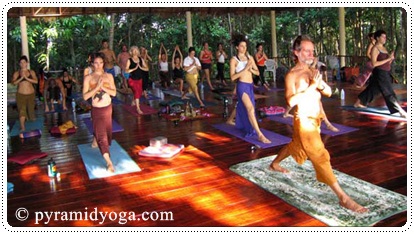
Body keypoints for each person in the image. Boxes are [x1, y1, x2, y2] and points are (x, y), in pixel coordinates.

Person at [269, 35, 368, 213]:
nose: (311, 54)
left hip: (316, 119)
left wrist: (319, 84)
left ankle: (275, 163)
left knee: (295, 145)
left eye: (312, 51)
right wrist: (311, 86)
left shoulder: (312, 72)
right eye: (306, 50)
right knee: (320, 155)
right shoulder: (291, 75)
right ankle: (343, 198)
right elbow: (290, 101)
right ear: (296, 52)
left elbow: (329, 92)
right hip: (304, 120)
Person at [353, 30, 407, 118]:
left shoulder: (384, 48)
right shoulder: (375, 48)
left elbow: (386, 63)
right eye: (383, 37)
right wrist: (387, 59)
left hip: (386, 72)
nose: (385, 38)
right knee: (388, 92)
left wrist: (390, 59)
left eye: (385, 37)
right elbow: (374, 63)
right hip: (380, 73)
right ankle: (400, 111)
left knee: (373, 89)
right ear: (377, 38)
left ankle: (358, 103)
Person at [230, 33, 271, 144]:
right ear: (237, 47)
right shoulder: (234, 60)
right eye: (242, 46)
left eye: (245, 46)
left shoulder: (250, 58)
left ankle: (233, 120)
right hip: (241, 86)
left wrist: (250, 69)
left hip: (250, 86)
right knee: (250, 109)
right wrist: (245, 69)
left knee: (248, 109)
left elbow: (257, 72)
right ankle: (260, 135)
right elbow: (233, 77)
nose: (244, 48)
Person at [82, 52, 116, 173]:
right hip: (96, 110)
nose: (98, 65)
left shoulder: (109, 76)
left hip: (108, 109)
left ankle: (95, 141)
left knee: (107, 134)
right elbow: (85, 96)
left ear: (104, 63)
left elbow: (114, 93)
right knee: (103, 137)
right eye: (96, 63)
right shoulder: (88, 78)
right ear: (92, 64)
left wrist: (103, 87)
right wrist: (96, 88)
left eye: (101, 63)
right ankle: (109, 163)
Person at [11, 55, 38, 132]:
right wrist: (21, 78)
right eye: (21, 62)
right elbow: (14, 83)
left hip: (31, 94)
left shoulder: (31, 72)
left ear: (27, 63)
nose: (22, 64)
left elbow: (36, 81)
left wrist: (26, 78)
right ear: (19, 64)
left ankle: (30, 116)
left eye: (24, 62)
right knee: (22, 111)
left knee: (31, 114)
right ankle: (22, 127)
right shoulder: (17, 73)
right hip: (21, 95)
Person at [125, 46, 145, 114]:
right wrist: (133, 69)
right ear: (131, 52)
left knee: (139, 92)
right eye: (134, 50)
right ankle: (138, 108)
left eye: (136, 50)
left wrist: (143, 68)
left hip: (139, 79)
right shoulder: (129, 60)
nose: (135, 51)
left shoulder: (140, 59)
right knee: (136, 91)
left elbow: (145, 67)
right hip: (132, 79)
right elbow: (126, 70)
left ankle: (133, 101)